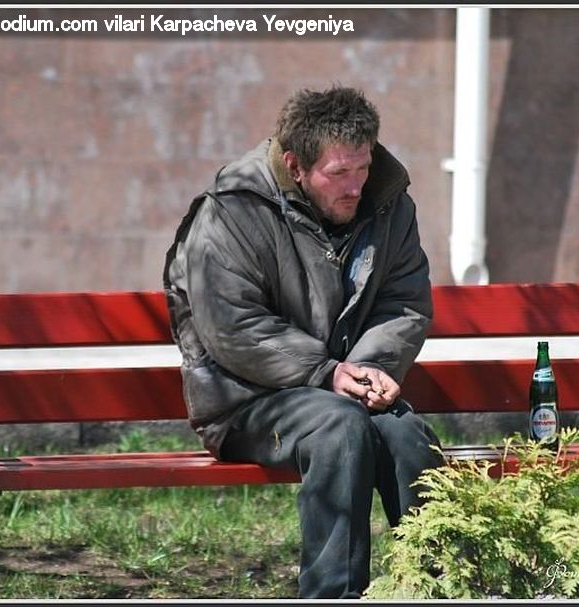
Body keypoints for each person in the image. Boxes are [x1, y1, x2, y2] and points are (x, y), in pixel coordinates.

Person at [163, 85, 442, 599]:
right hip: (245, 401)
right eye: (339, 173)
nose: (356, 186)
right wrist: (325, 373)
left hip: (340, 390)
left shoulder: (388, 202)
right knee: (339, 427)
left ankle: (435, 588)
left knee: (407, 435)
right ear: (295, 165)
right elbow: (232, 327)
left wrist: (367, 369)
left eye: (362, 167)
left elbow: (403, 303)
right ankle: (333, 595)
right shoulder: (233, 210)